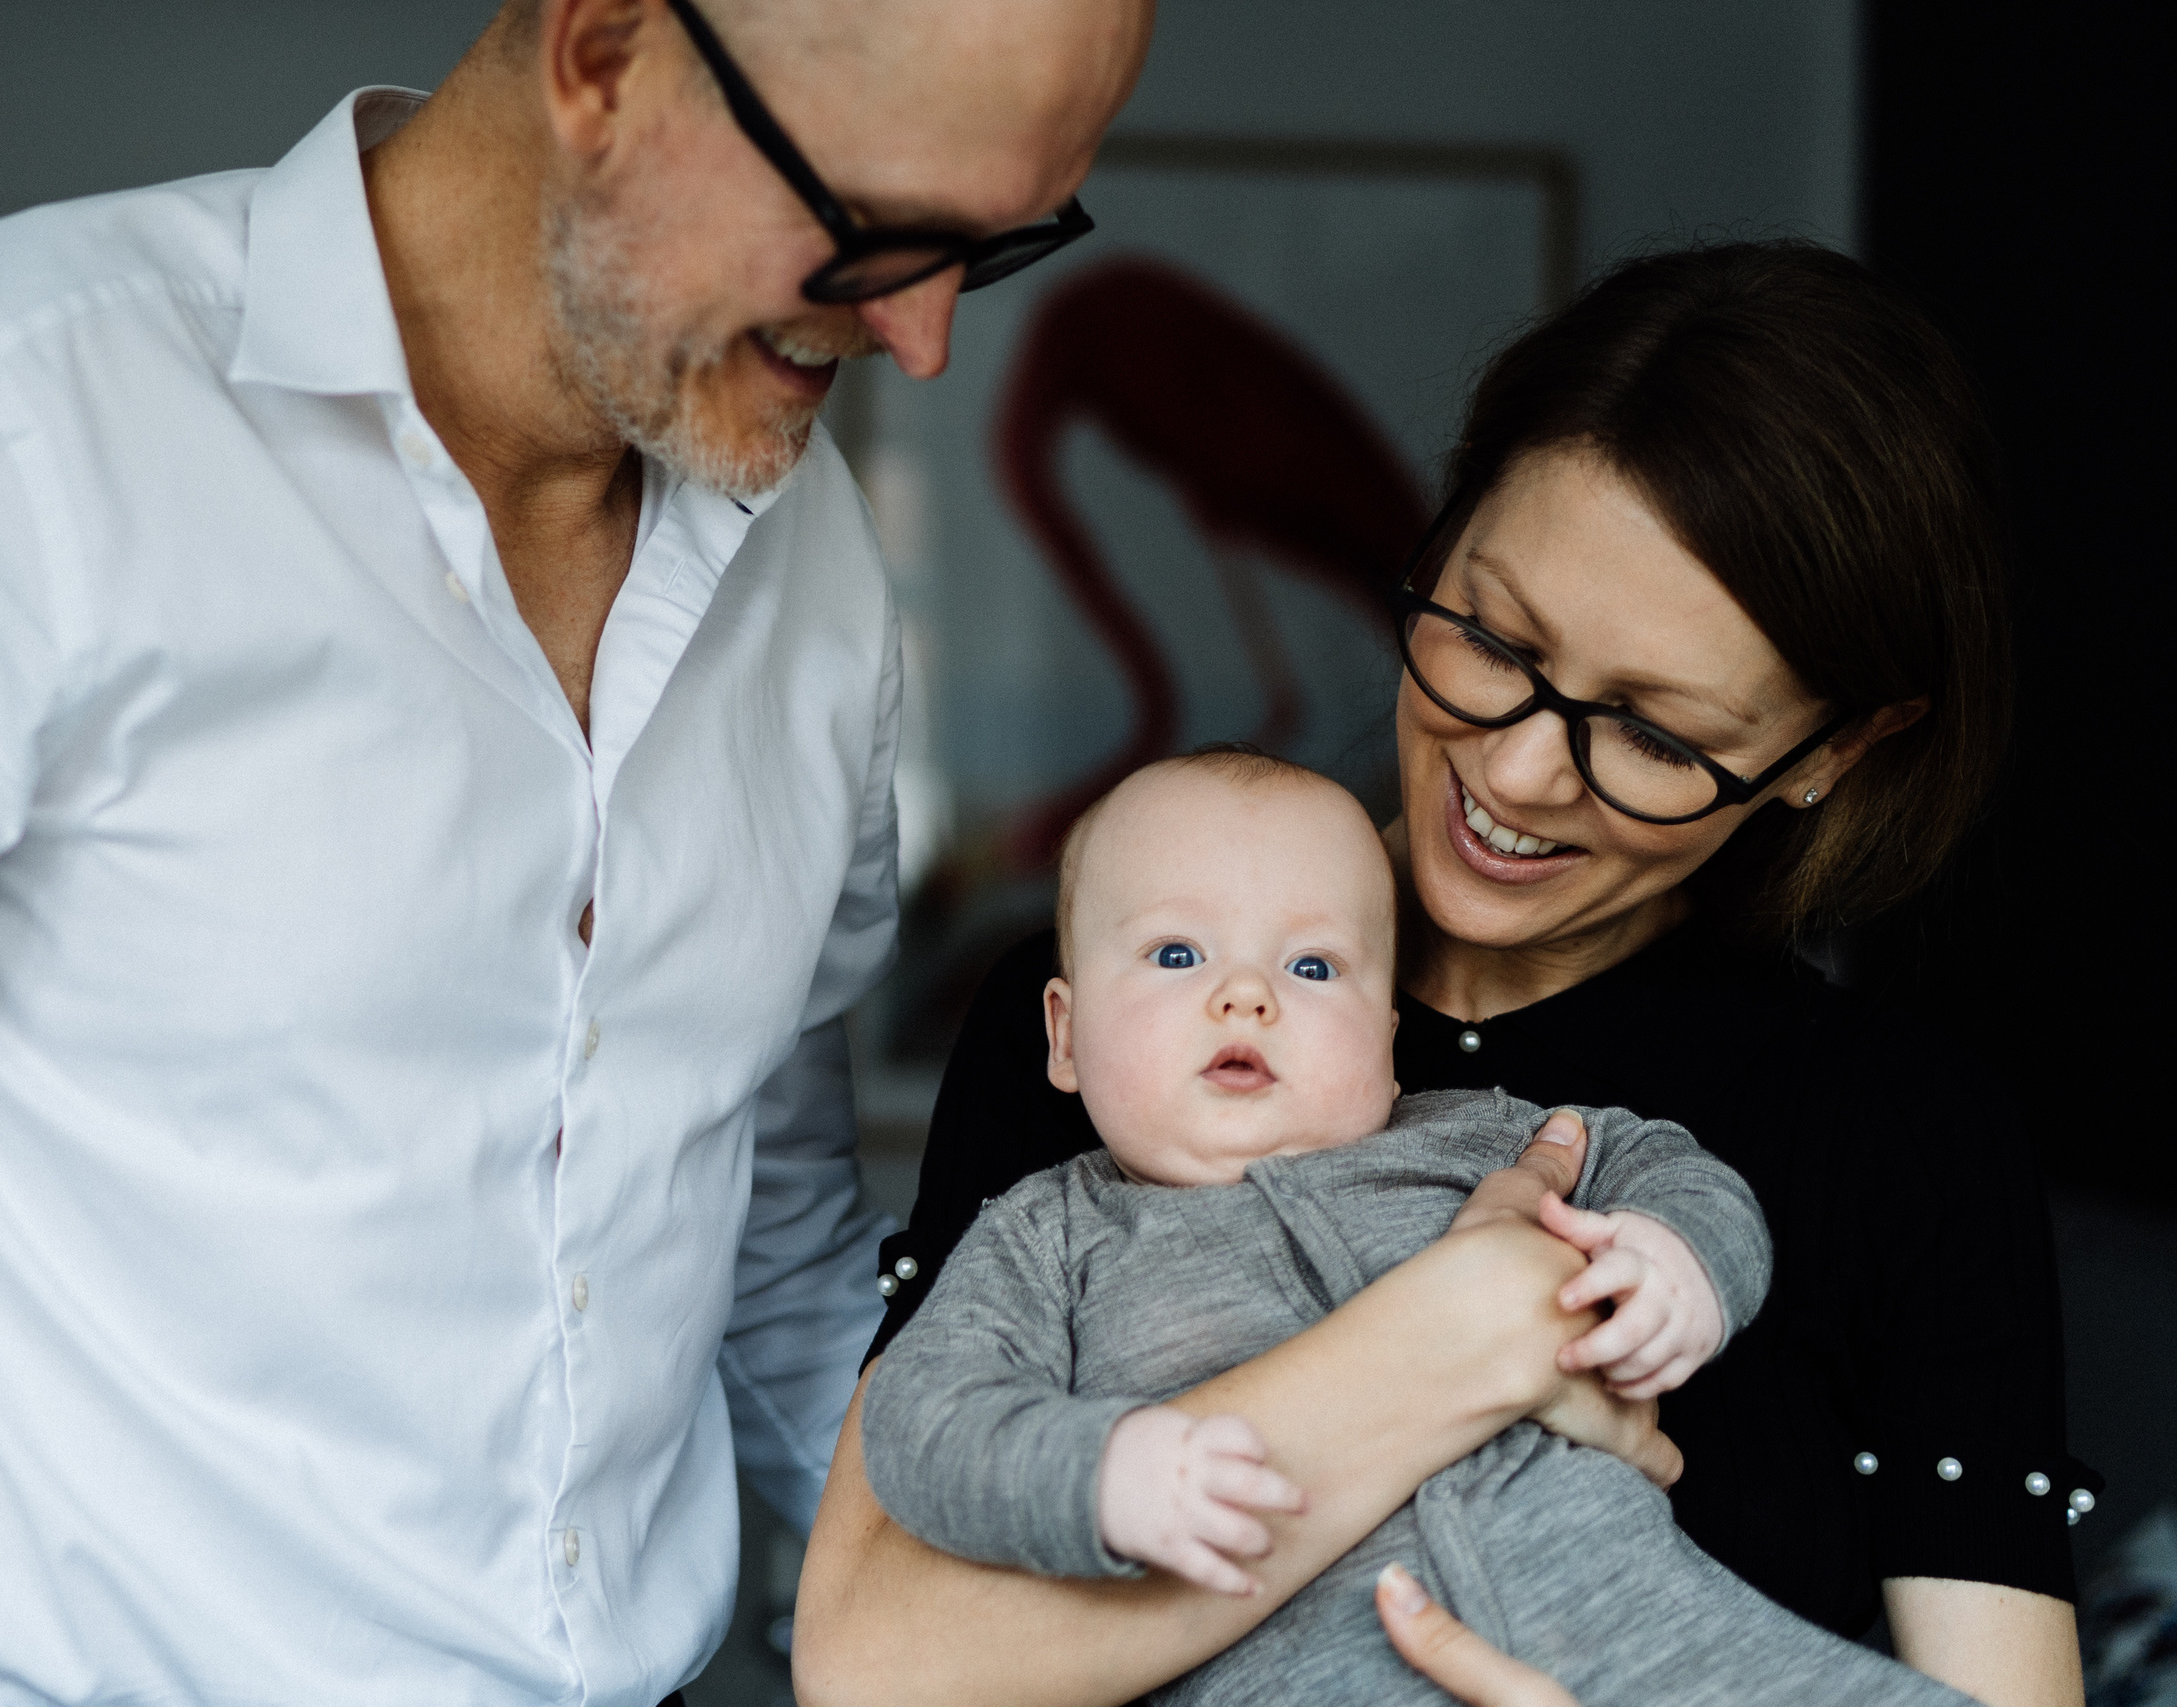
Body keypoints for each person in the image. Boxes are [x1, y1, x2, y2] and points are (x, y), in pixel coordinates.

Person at [0, 0, 1151, 1702]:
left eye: (990, 255)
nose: (922, 342)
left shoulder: (816, 555)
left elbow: (760, 1219)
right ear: (603, 54)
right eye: (877, 231)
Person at [793, 242, 2093, 1707]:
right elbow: (878, 1657)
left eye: (1658, 736)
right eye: (1491, 634)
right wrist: (1459, 1338)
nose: (1520, 771)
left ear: (1834, 751)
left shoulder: (1905, 1135)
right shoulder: (1134, 1017)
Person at [861, 750, 1979, 1705]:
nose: (1244, 996)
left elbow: (1657, 1161)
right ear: (1062, 1035)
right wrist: (1095, 1478)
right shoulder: (1045, 1239)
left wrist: (1681, 1254)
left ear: (1387, 1038)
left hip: (1638, 1629)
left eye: (1310, 967)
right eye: (1174, 955)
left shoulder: (1474, 1139)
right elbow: (924, 1421)